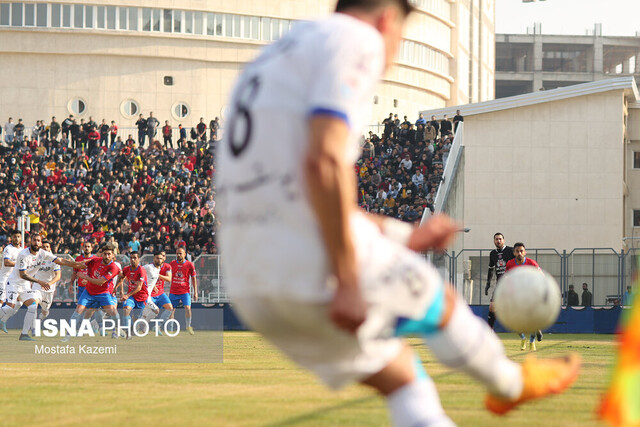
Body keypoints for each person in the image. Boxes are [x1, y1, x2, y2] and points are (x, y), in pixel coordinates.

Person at [216, 1, 580, 424]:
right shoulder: (355, 38)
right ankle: (512, 386)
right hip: (309, 261)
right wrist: (348, 280)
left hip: (251, 282)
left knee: (403, 378)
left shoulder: (271, 60)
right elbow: (326, 163)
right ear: (389, 18)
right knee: (442, 305)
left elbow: (300, 194)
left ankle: (508, 386)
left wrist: (407, 236)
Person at [0, 233, 86, 340]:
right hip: (14, 283)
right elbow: (23, 274)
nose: (36, 242)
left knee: (32, 306)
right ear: (30, 242)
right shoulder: (23, 254)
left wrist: (79, 264)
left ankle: (24, 334)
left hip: (25, 285)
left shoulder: (43, 253)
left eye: (38, 240)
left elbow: (61, 261)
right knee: (9, 307)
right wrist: (39, 282)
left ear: (41, 243)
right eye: (34, 240)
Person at [61, 244, 121, 341]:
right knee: (78, 311)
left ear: (113, 255)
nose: (106, 256)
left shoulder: (113, 267)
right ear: (102, 254)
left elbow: (101, 282)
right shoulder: (96, 261)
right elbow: (82, 264)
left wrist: (85, 278)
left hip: (103, 293)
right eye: (104, 254)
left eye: (109, 254)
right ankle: (68, 335)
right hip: (89, 292)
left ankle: (117, 330)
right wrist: (65, 262)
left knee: (113, 312)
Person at [505, 242, 544, 351]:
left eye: (521, 251)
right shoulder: (510, 264)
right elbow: (506, 279)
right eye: (517, 251)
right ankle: (523, 338)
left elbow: (542, 276)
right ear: (514, 253)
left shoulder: (532, 263)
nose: (519, 253)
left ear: (525, 252)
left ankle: (532, 341)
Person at [115, 251, 148, 339]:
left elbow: (139, 288)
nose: (132, 260)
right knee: (126, 309)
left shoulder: (141, 270)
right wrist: (116, 288)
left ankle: (137, 327)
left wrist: (126, 295)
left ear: (139, 259)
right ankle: (128, 333)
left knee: (136, 318)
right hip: (132, 297)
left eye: (135, 258)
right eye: (131, 258)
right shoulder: (127, 269)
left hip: (142, 298)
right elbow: (121, 277)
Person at [485, 232, 514, 330]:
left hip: (512, 283)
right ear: (494, 241)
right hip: (500, 284)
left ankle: (533, 329)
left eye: (500, 239)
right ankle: (489, 331)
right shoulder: (492, 253)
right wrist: (488, 283)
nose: (498, 241)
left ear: (504, 240)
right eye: (496, 239)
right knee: (492, 307)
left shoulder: (511, 250)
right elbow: (491, 268)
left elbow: (518, 263)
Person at [141, 250, 173, 331]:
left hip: (160, 292)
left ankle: (158, 326)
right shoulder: (150, 266)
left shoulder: (167, 266)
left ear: (164, 258)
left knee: (169, 308)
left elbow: (169, 279)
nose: (160, 259)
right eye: (158, 257)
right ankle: (139, 327)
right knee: (145, 313)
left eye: (162, 256)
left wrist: (158, 275)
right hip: (150, 293)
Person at [169, 247, 197, 335]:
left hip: (185, 291)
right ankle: (170, 329)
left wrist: (195, 292)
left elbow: (193, 279)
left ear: (185, 254)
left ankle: (188, 326)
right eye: (177, 253)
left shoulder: (190, 265)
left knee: (188, 308)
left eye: (180, 253)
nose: (178, 255)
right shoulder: (172, 264)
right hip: (174, 291)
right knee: (171, 310)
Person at [31, 240, 60, 322]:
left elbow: (58, 276)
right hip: (37, 286)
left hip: (48, 289)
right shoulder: (35, 258)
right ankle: (33, 326)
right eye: (43, 247)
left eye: (47, 247)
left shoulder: (54, 260)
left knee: (45, 310)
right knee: (33, 305)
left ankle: (42, 317)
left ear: (50, 248)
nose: (45, 248)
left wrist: (49, 284)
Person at [0, 230, 22, 305]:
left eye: (18, 237)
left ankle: (5, 316)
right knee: (1, 300)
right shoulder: (8, 249)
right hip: (5, 278)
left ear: (21, 238)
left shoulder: (22, 250)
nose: (16, 238)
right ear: (11, 238)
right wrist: (19, 265)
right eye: (15, 237)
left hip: (14, 280)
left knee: (18, 302)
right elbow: (7, 262)